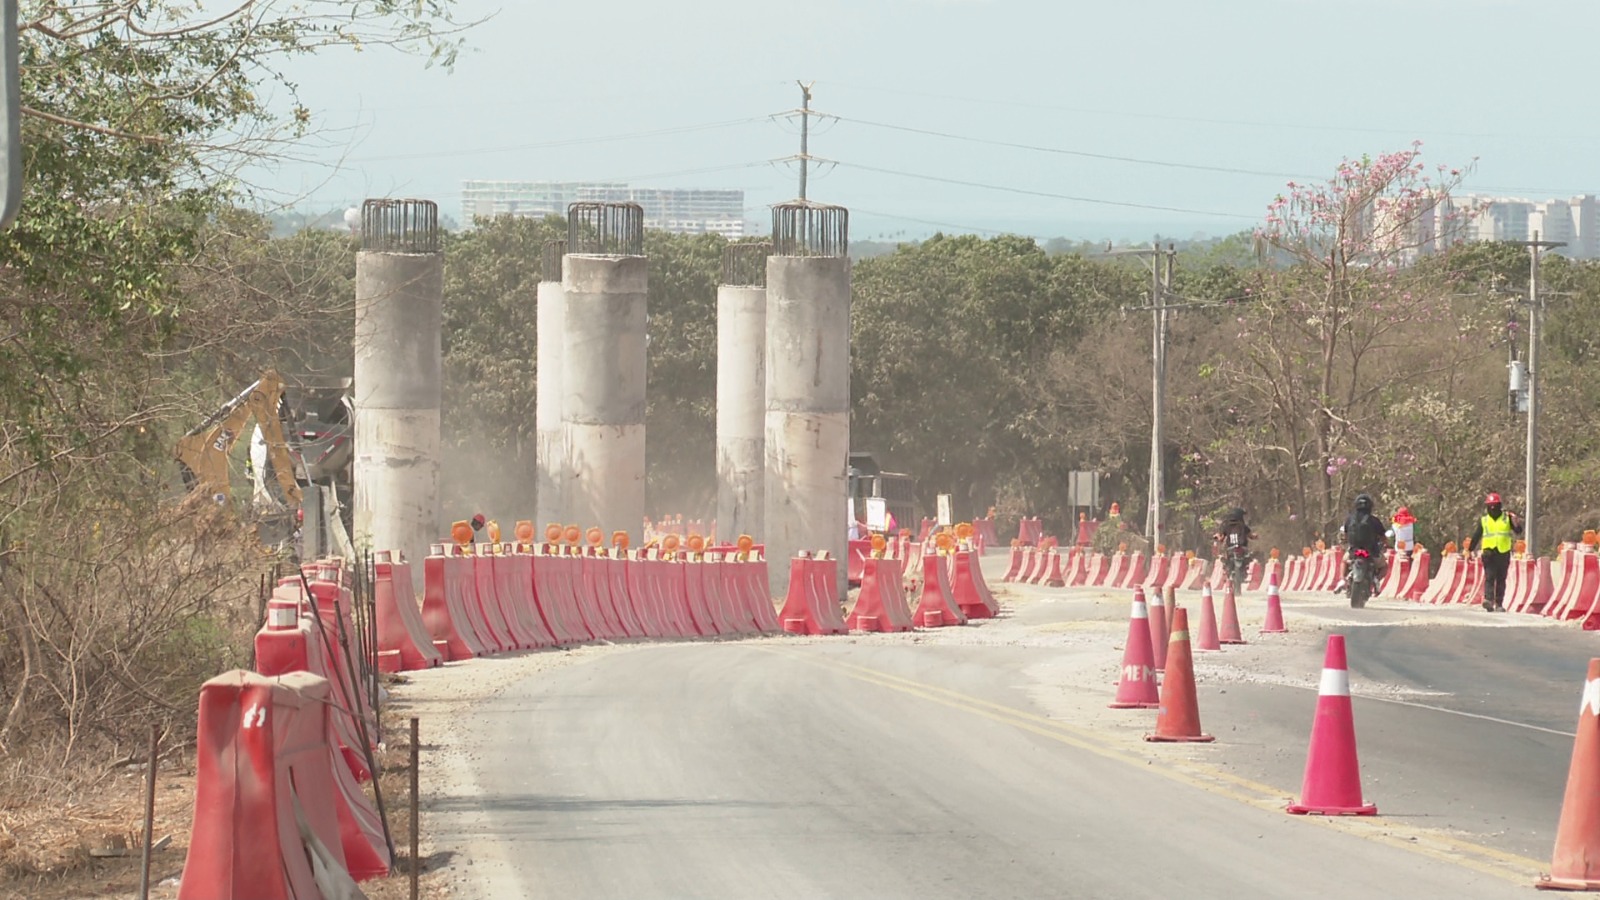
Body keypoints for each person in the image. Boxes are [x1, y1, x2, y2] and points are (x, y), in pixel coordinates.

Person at [1470, 492, 1522, 612]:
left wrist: (1516, 522)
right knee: (1489, 577)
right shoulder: (1484, 520)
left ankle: (1499, 604)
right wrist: (1470, 550)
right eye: (1490, 505)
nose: (1493, 508)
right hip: (1489, 553)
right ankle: (1488, 600)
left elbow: (1518, 531)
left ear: (1500, 505)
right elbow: (1476, 536)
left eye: (1495, 505)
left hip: (1503, 552)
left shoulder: (1507, 518)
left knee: (1501, 578)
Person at [1338, 493, 1389, 594]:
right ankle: (1376, 580)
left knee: (1344, 561)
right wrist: (1386, 545)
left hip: (1354, 550)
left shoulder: (1349, 519)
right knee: (1384, 566)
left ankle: (1342, 580)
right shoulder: (1374, 520)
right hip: (1372, 551)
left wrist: (1347, 544)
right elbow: (1383, 537)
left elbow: (1346, 534)